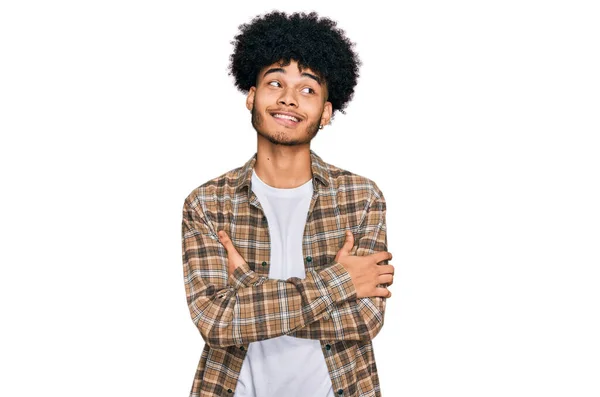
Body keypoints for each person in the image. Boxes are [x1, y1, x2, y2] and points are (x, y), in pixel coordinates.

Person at [181, 10, 395, 397]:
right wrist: (341, 280)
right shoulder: (208, 203)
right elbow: (215, 322)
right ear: (251, 97)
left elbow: (364, 319)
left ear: (326, 113)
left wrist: (248, 288)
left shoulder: (361, 199)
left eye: (308, 90)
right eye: (275, 82)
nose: (288, 99)